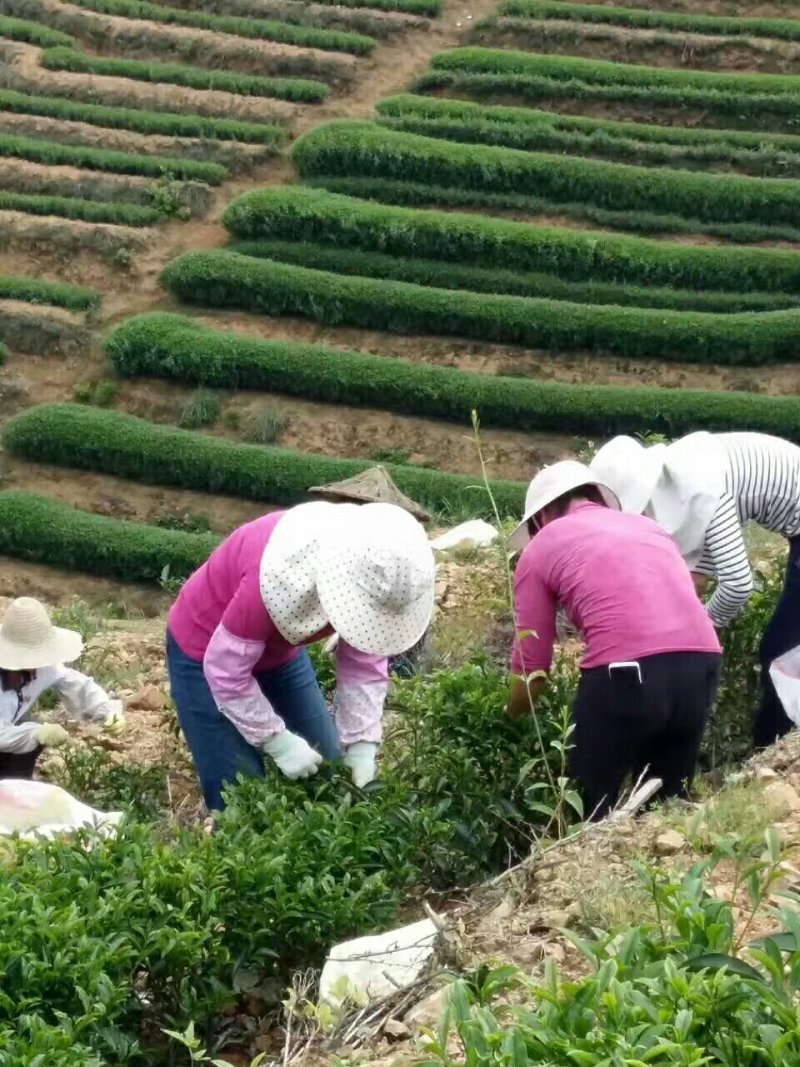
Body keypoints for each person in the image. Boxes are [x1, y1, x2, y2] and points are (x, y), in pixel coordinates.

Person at [166, 501, 435, 813]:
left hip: (278, 655)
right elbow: (225, 669)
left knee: (330, 772)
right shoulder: (280, 573)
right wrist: (277, 742)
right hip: (204, 652)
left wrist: (362, 745)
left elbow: (364, 661)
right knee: (241, 799)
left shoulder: (373, 570)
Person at [507, 461, 722, 820]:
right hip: (702, 667)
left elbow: (532, 670)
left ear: (542, 515)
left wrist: (507, 721)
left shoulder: (542, 545)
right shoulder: (649, 527)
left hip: (628, 673)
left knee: (584, 805)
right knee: (667, 813)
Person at [591, 432, 800, 748]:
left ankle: (773, 747)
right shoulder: (682, 473)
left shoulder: (702, 491)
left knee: (779, 652)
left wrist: (703, 629)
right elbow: (698, 572)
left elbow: (738, 584)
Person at [0, 597, 126, 779]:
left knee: (22, 766)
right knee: (33, 734)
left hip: (9, 735)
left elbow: (74, 682)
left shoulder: (42, 668)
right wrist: (37, 732)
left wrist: (106, 710)